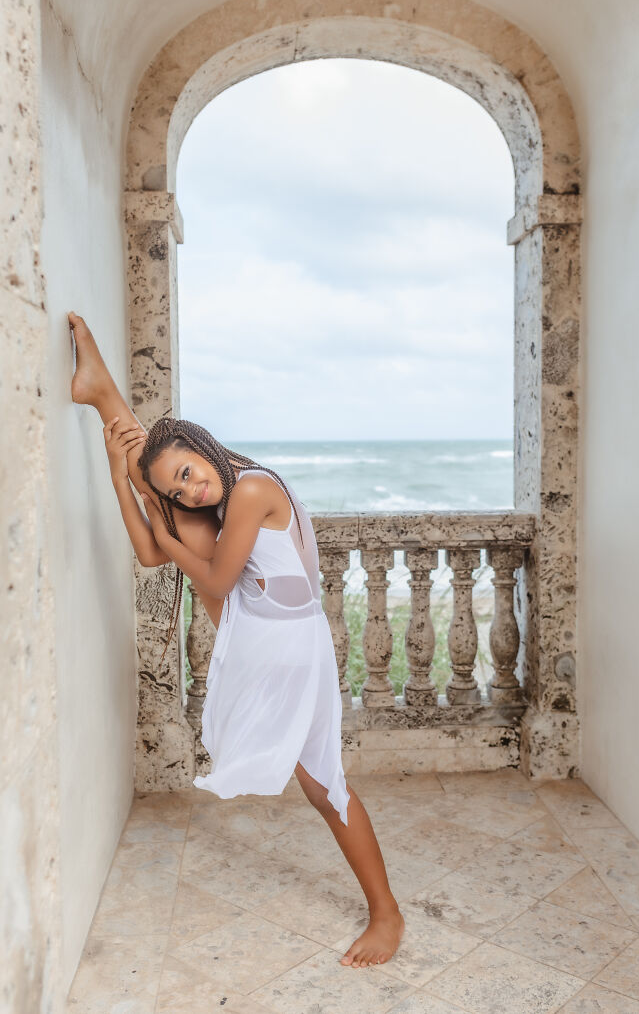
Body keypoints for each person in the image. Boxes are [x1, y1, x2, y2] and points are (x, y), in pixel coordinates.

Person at [67, 311, 405, 969]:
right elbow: (147, 553)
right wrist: (118, 475)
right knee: (321, 784)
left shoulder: (249, 488)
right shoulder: (216, 500)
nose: (194, 486)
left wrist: (166, 530)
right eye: (178, 485)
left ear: (204, 446)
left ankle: (387, 913)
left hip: (284, 645)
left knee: (325, 784)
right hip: (261, 629)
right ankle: (103, 397)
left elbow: (213, 572)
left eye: (190, 471)